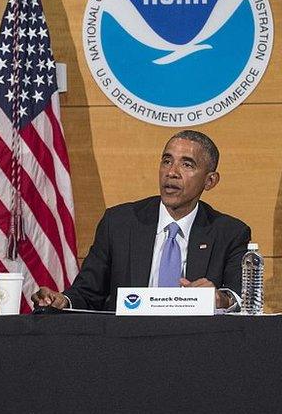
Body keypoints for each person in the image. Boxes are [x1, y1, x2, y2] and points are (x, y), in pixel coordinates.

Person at [32, 130, 250, 311]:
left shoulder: (229, 233)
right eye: (167, 161)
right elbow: (88, 292)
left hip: (195, 345)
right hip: (127, 345)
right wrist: (63, 301)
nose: (171, 172)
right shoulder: (119, 223)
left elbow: (239, 296)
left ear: (210, 181)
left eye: (187, 165)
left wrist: (222, 299)